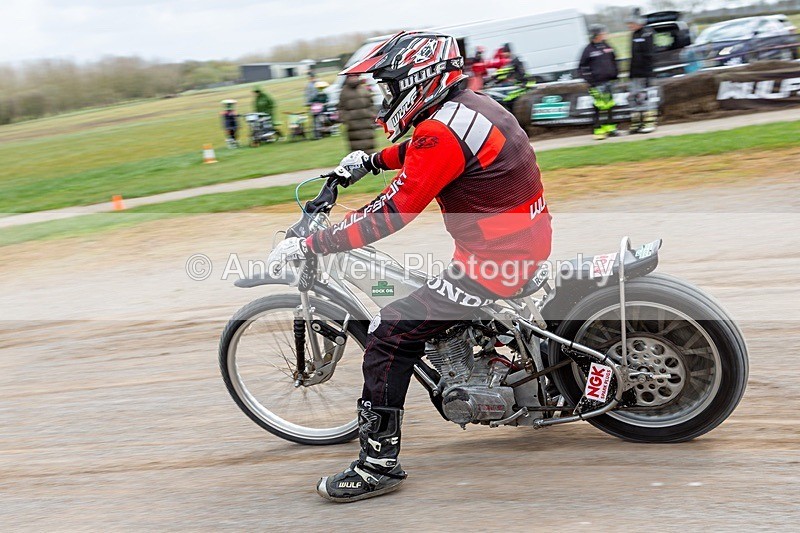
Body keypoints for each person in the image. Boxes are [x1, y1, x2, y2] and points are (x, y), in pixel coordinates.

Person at [267, 31, 552, 503]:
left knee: (389, 330)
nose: (385, 96)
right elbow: (424, 149)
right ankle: (492, 356)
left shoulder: (440, 132)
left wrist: (316, 243)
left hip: (496, 263)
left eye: (388, 85)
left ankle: (378, 464)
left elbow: (390, 213)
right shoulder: (475, 105)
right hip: (520, 243)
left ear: (416, 79)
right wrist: (371, 161)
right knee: (422, 298)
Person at [578, 24, 619, 140]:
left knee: (610, 106)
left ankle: (611, 129)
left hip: (609, 82)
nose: (604, 35)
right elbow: (581, 67)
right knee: (599, 107)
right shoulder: (588, 49)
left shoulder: (607, 46)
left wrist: (616, 74)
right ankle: (598, 130)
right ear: (596, 35)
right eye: (602, 33)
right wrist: (590, 80)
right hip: (596, 84)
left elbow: (614, 60)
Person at [627, 8, 657, 133]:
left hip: (645, 73)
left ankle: (649, 123)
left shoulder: (647, 33)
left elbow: (649, 55)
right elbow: (634, 55)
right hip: (635, 73)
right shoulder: (634, 34)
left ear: (639, 22)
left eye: (631, 23)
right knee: (633, 98)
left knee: (644, 98)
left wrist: (647, 73)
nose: (630, 26)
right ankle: (637, 123)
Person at [338, 74, 375, 152]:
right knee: (359, 149)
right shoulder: (345, 91)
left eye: (354, 76)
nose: (353, 78)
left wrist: (371, 115)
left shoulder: (363, 89)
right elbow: (341, 108)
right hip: (355, 125)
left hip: (364, 123)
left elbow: (370, 104)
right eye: (351, 76)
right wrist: (346, 120)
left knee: (366, 147)